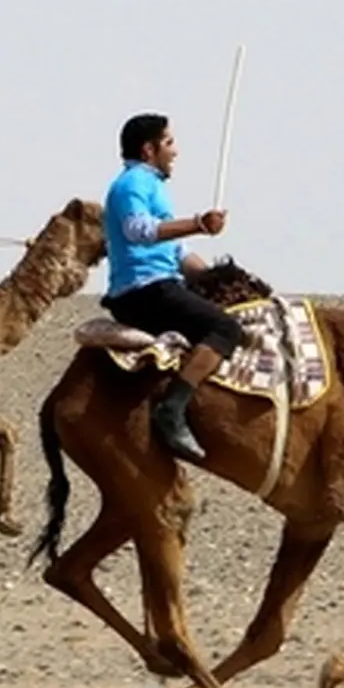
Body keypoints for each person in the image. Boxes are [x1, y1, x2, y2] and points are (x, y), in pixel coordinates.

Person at [101, 113, 244, 461]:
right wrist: (198, 223)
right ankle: (172, 410)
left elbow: (174, 250)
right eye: (169, 143)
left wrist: (214, 276)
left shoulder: (152, 187)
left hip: (159, 284)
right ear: (149, 150)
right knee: (226, 328)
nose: (175, 152)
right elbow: (139, 231)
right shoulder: (132, 184)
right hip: (146, 291)